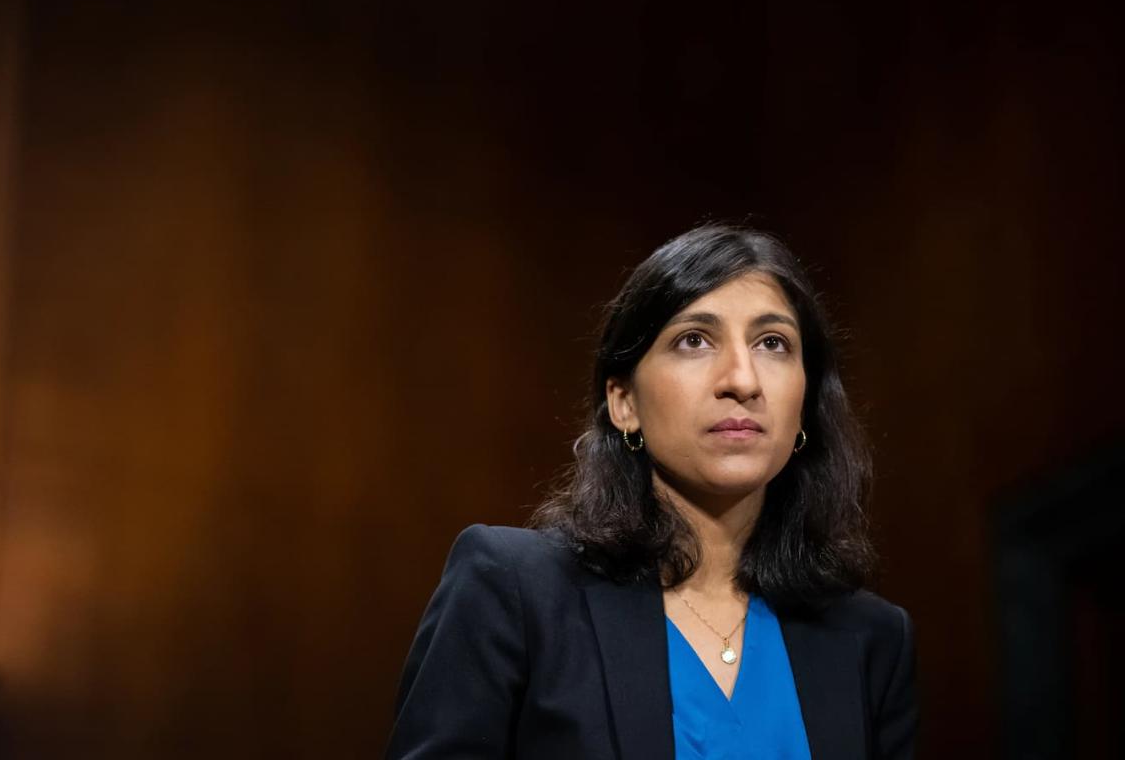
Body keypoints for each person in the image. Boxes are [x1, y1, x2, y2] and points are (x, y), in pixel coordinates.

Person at [386, 224, 917, 759]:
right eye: (694, 340)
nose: (742, 379)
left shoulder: (872, 638)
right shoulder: (513, 589)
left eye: (772, 343)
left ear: (804, 402)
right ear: (624, 403)